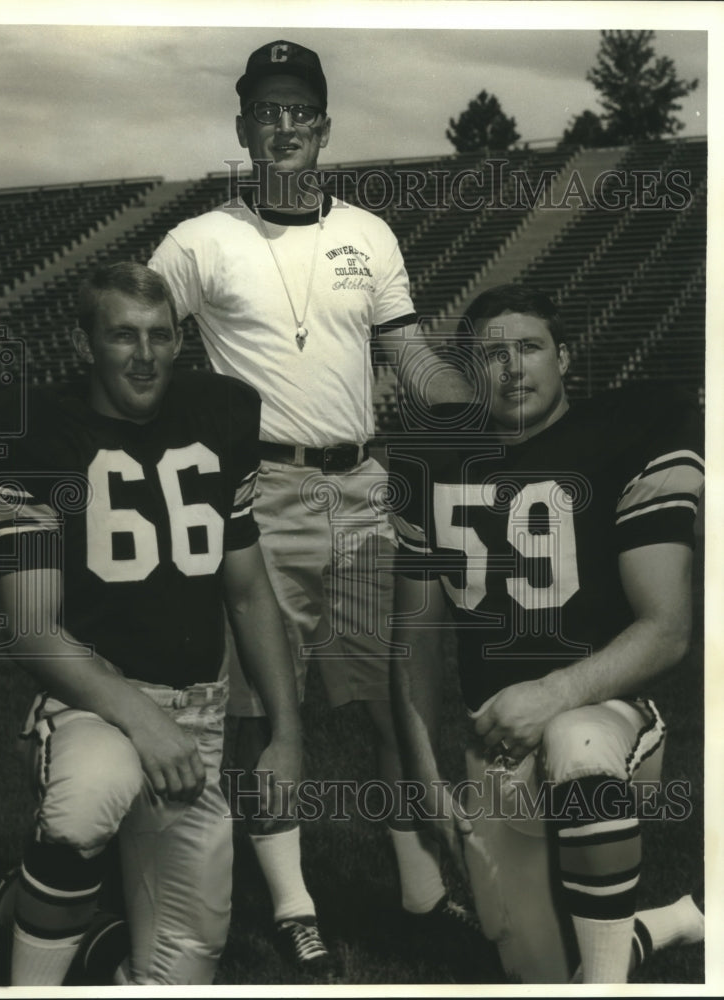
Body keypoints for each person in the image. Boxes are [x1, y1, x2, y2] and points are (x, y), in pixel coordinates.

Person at [148, 38, 476, 975]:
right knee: (261, 709)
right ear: (242, 125)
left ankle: (422, 892)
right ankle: (294, 906)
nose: (283, 125)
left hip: (363, 488)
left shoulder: (368, 234)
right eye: (266, 110)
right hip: (264, 495)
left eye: (300, 111)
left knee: (393, 703)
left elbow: (408, 355)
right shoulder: (198, 240)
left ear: (323, 128)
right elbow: (138, 345)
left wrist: (462, 404)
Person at [0, 262, 302, 986]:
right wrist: (142, 720)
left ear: (180, 338)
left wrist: (285, 730)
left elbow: (247, 593)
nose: (144, 356)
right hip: (93, 701)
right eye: (122, 335)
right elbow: (31, 629)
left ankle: (17, 904)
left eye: (160, 335)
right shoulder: (35, 433)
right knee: (89, 798)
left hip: (199, 714)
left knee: (180, 971)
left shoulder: (220, 413)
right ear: (84, 339)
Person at [388, 283, 705, 983]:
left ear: (563, 356)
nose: (510, 367)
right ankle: (669, 921)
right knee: (535, 972)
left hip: (608, 717)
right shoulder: (433, 464)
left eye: (527, 347)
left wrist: (552, 693)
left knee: (576, 745)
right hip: (493, 738)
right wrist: (424, 777)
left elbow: (668, 630)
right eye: (489, 355)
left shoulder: (631, 428)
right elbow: (413, 644)